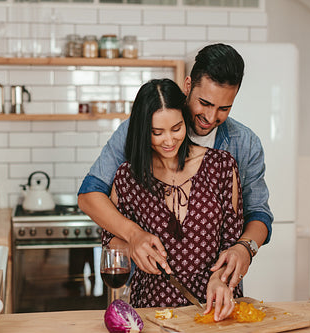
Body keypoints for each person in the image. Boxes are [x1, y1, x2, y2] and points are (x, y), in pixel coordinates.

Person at [78, 43, 272, 310]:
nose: (210, 117)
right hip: (151, 303)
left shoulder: (239, 148)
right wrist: (133, 236)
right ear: (188, 84)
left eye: (224, 108)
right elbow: (90, 196)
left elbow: (258, 214)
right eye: (204, 103)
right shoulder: (136, 132)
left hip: (214, 302)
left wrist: (244, 249)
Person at [103, 78, 243, 321]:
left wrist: (219, 278)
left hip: (215, 309)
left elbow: (232, 242)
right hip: (152, 312)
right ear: (142, 130)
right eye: (157, 132)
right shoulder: (127, 176)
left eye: (176, 128)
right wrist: (133, 244)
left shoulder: (221, 166)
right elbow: (110, 243)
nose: (168, 141)